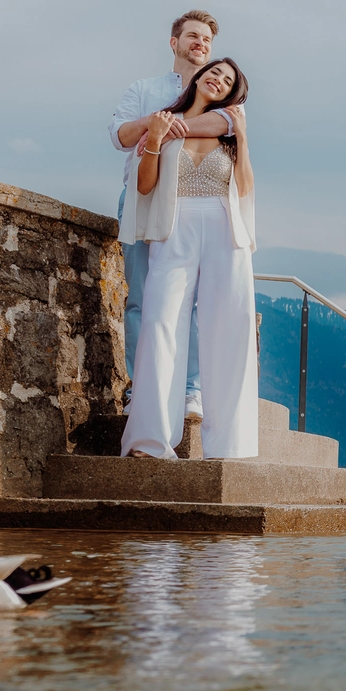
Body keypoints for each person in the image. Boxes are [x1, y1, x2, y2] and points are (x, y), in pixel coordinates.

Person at [118, 57, 259, 461]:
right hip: (174, 227)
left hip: (224, 227)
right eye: (214, 72)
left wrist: (245, 138)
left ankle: (230, 447)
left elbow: (246, 187)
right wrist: (157, 140)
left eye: (227, 80)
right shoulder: (164, 121)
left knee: (230, 327)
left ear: (231, 93)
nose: (218, 79)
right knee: (160, 323)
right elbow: (145, 187)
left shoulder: (229, 129)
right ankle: (149, 442)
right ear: (199, 77)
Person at [109, 10, 240, 419]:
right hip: (140, 196)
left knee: (197, 300)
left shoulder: (220, 93)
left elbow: (226, 126)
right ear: (175, 42)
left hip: (192, 204)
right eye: (194, 36)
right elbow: (119, 136)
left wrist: (167, 126)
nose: (201, 43)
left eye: (207, 39)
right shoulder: (144, 89)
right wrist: (154, 123)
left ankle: (190, 390)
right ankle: (139, 388)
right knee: (141, 300)